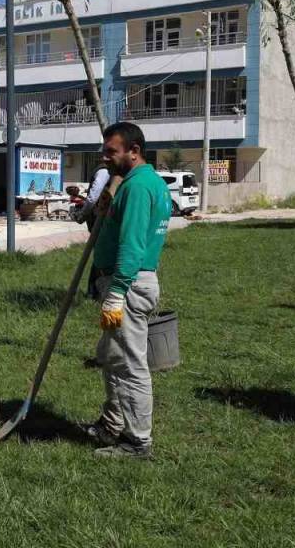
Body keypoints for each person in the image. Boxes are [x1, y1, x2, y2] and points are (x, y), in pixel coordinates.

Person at [85, 122, 170, 459]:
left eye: (111, 152)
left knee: (131, 364)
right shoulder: (141, 182)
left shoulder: (137, 188)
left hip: (128, 286)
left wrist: (118, 291)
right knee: (111, 356)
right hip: (124, 282)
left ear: (133, 151)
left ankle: (137, 442)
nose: (105, 157)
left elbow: (133, 246)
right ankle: (112, 424)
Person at [81, 162, 112, 299]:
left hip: (103, 219)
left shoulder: (104, 171)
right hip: (102, 218)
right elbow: (95, 195)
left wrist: (83, 213)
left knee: (102, 254)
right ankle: (94, 291)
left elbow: (94, 195)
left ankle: (95, 291)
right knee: (101, 254)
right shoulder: (106, 171)